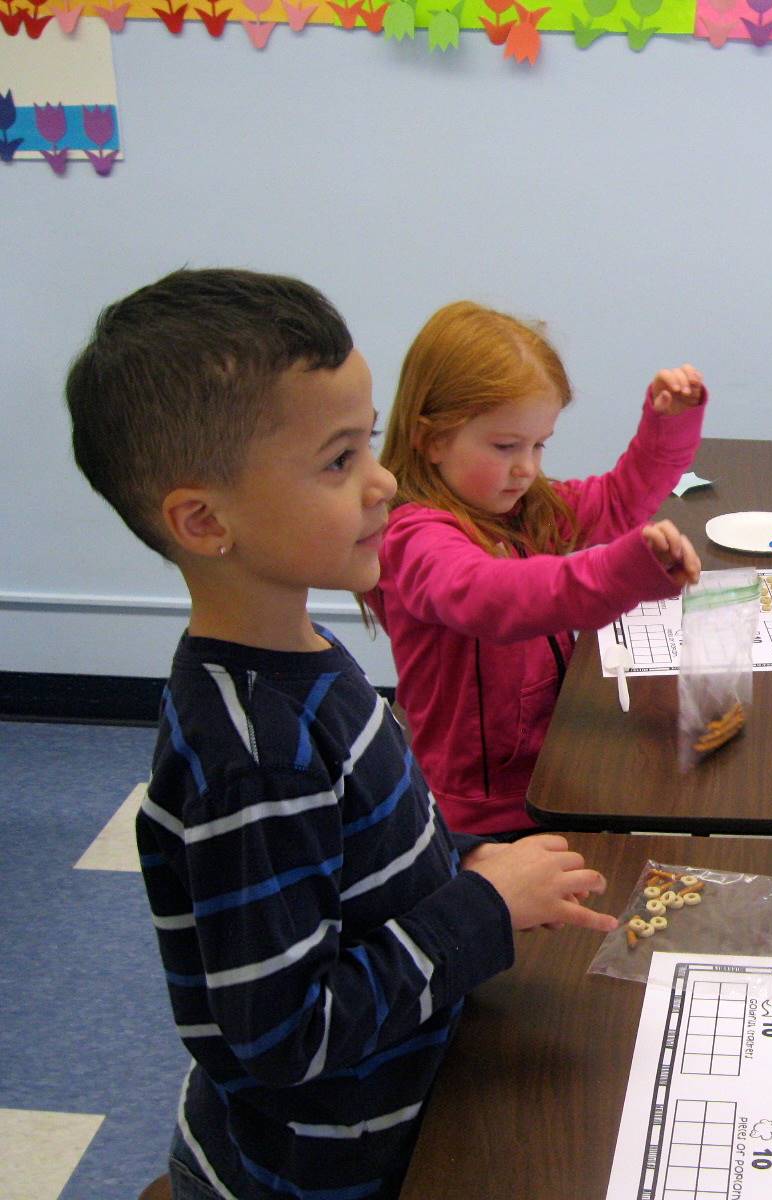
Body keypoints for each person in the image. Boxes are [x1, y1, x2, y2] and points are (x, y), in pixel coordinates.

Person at [65, 268, 618, 1200]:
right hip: (330, 1171)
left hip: (408, 1081)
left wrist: (477, 866)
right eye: (337, 462)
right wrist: (479, 910)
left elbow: (368, 862)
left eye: (367, 445)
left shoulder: (303, 652)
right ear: (205, 521)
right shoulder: (253, 760)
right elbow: (289, 1036)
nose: (384, 481)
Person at [365, 301, 705, 837]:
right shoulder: (414, 538)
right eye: (505, 446)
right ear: (430, 439)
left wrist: (669, 426)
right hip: (482, 809)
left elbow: (617, 502)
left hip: (550, 763)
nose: (527, 467)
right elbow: (491, 596)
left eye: (539, 444)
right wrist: (622, 571)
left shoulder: (519, 506)